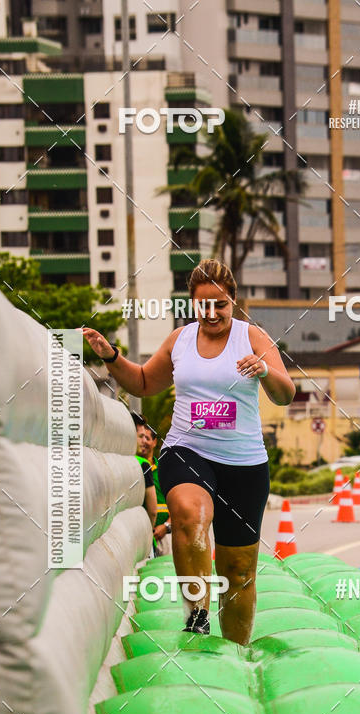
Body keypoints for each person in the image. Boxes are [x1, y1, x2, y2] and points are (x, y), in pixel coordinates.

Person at [82, 259, 295, 643]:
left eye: (221, 305)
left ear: (234, 301)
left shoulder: (253, 338)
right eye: (204, 305)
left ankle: (234, 656)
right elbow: (145, 382)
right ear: (192, 305)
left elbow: (285, 395)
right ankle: (197, 617)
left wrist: (265, 370)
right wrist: (111, 356)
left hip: (244, 464)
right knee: (190, 516)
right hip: (187, 449)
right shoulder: (180, 340)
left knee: (239, 570)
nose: (212, 313)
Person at [135, 419, 172, 556]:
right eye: (141, 437)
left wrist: (166, 527)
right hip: (143, 536)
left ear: (155, 442)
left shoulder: (164, 471)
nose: (144, 441)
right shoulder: (133, 467)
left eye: (148, 438)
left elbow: (177, 503)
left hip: (165, 536)